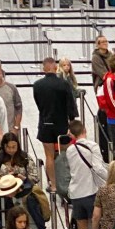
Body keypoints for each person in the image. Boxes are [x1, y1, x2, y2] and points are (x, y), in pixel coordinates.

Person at [0, 133, 48, 229]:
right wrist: (6, 178)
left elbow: (34, 178)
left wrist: (22, 178)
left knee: (29, 219)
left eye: (14, 147)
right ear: (4, 146)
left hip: (23, 195)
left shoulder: (25, 157)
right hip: (4, 195)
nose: (11, 150)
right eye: (8, 147)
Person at [34, 57, 78, 186]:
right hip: (61, 124)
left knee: (49, 156)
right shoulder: (63, 84)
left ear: (43, 69)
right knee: (67, 153)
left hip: (45, 123)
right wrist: (71, 121)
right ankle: (69, 182)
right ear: (55, 67)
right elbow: (70, 105)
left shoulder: (37, 85)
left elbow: (38, 104)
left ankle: (52, 185)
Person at [65, 120, 108, 229]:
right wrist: (110, 179)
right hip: (91, 192)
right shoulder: (92, 146)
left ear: (71, 135)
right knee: (95, 227)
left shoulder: (69, 150)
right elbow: (98, 168)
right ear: (85, 131)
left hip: (76, 193)